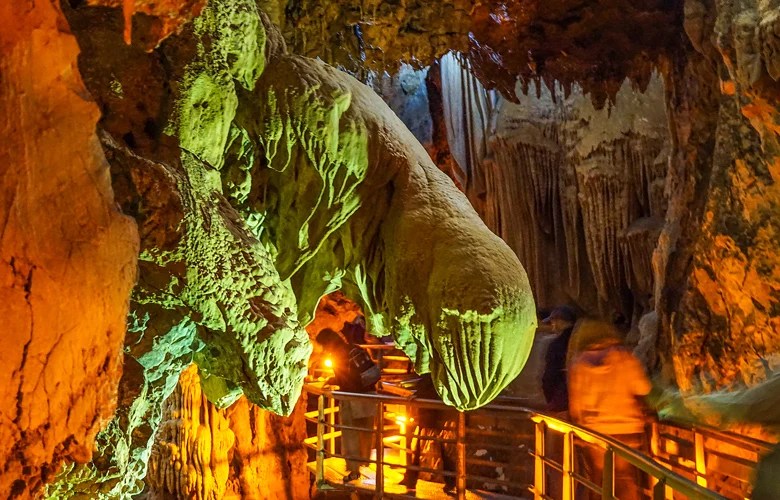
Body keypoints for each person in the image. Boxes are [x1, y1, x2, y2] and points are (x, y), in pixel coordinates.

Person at [568, 320, 652, 500]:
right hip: (626, 429)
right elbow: (642, 388)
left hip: (596, 432)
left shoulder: (580, 363)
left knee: (600, 479)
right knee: (625, 478)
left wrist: (581, 429)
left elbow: (576, 404)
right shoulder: (624, 357)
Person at [316, 329, 381, 483]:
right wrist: (335, 380)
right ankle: (364, 462)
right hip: (369, 395)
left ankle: (354, 469)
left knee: (350, 434)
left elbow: (345, 379)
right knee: (365, 432)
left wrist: (335, 383)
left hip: (353, 398)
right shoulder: (353, 347)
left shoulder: (338, 354)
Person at [398, 374, 457, 495]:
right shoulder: (439, 373)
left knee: (420, 450)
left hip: (430, 414)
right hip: (435, 414)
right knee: (441, 450)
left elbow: (427, 386)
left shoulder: (432, 374)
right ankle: (451, 482)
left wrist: (417, 396)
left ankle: (411, 482)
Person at [540, 305, 578, 413]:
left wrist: (552, 401)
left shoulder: (557, 345)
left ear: (560, 322)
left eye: (553, 322)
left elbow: (550, 375)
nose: (552, 326)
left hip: (561, 401)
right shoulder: (580, 340)